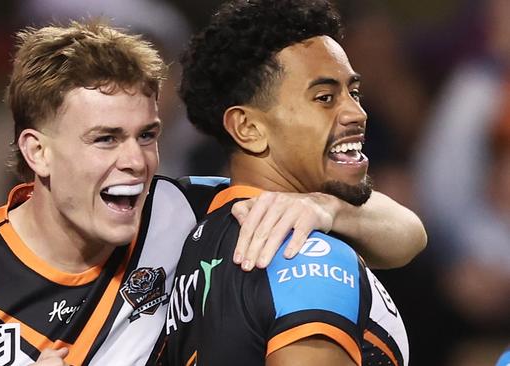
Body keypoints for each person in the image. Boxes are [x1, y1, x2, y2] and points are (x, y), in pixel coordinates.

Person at [0, 20, 424, 366]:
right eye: (105, 139)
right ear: (37, 151)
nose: (136, 161)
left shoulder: (188, 210)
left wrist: (320, 207)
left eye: (147, 135)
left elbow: (407, 236)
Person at [163, 0, 410, 365]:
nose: (357, 113)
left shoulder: (194, 226)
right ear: (248, 128)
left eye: (353, 92)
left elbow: (410, 236)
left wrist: (325, 208)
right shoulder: (306, 257)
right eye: (325, 98)